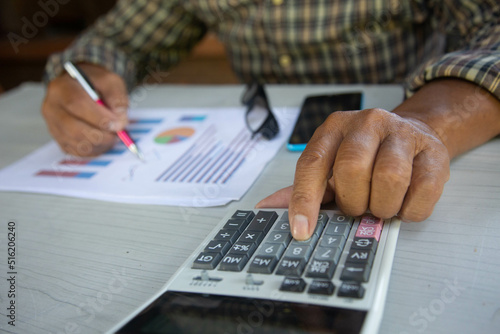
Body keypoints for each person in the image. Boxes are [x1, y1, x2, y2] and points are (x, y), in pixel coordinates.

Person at [42, 0, 500, 240]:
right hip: (261, 156)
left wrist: (422, 123)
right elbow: (119, 39)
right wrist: (85, 73)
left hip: (407, 143)